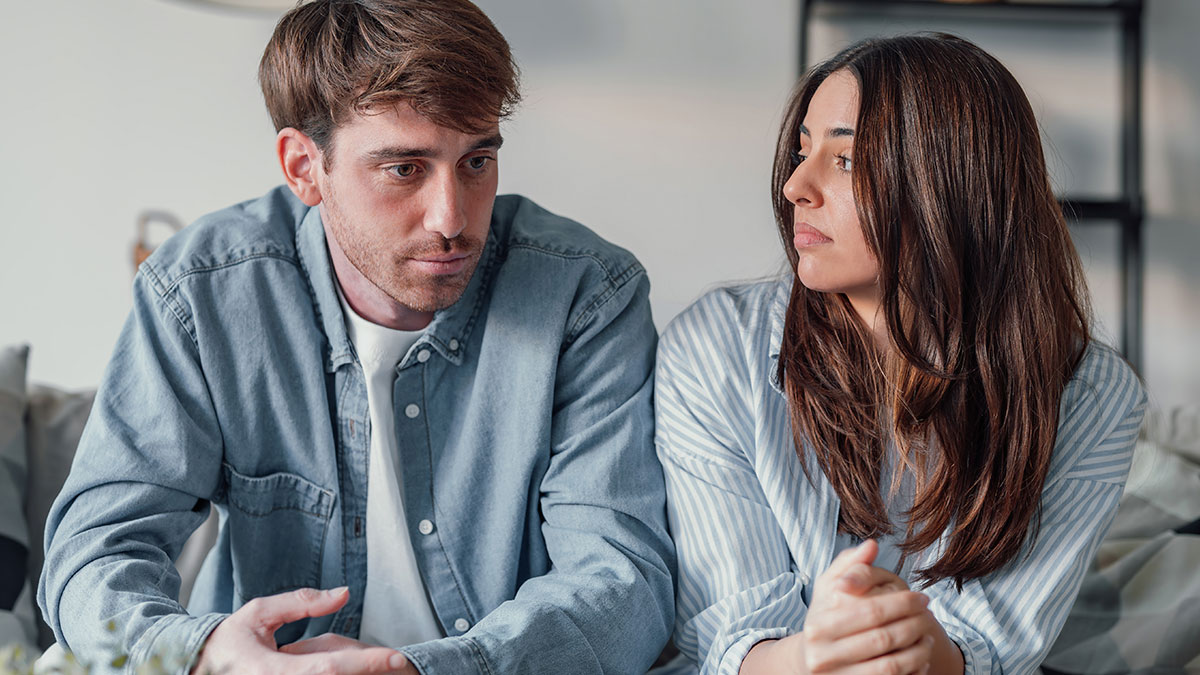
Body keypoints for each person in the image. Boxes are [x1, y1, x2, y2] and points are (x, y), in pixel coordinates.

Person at [38, 1, 674, 673]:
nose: (452, 217)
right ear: (303, 167)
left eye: (477, 160)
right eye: (405, 169)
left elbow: (623, 581)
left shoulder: (586, 294)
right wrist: (203, 655)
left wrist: (422, 670)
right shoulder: (203, 293)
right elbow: (95, 552)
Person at [655, 33, 1146, 675]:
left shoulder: (1092, 395)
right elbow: (729, 640)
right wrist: (818, 653)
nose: (794, 186)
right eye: (802, 151)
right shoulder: (715, 348)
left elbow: (990, 647)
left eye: (847, 160)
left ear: (954, 183)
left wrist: (910, 650)